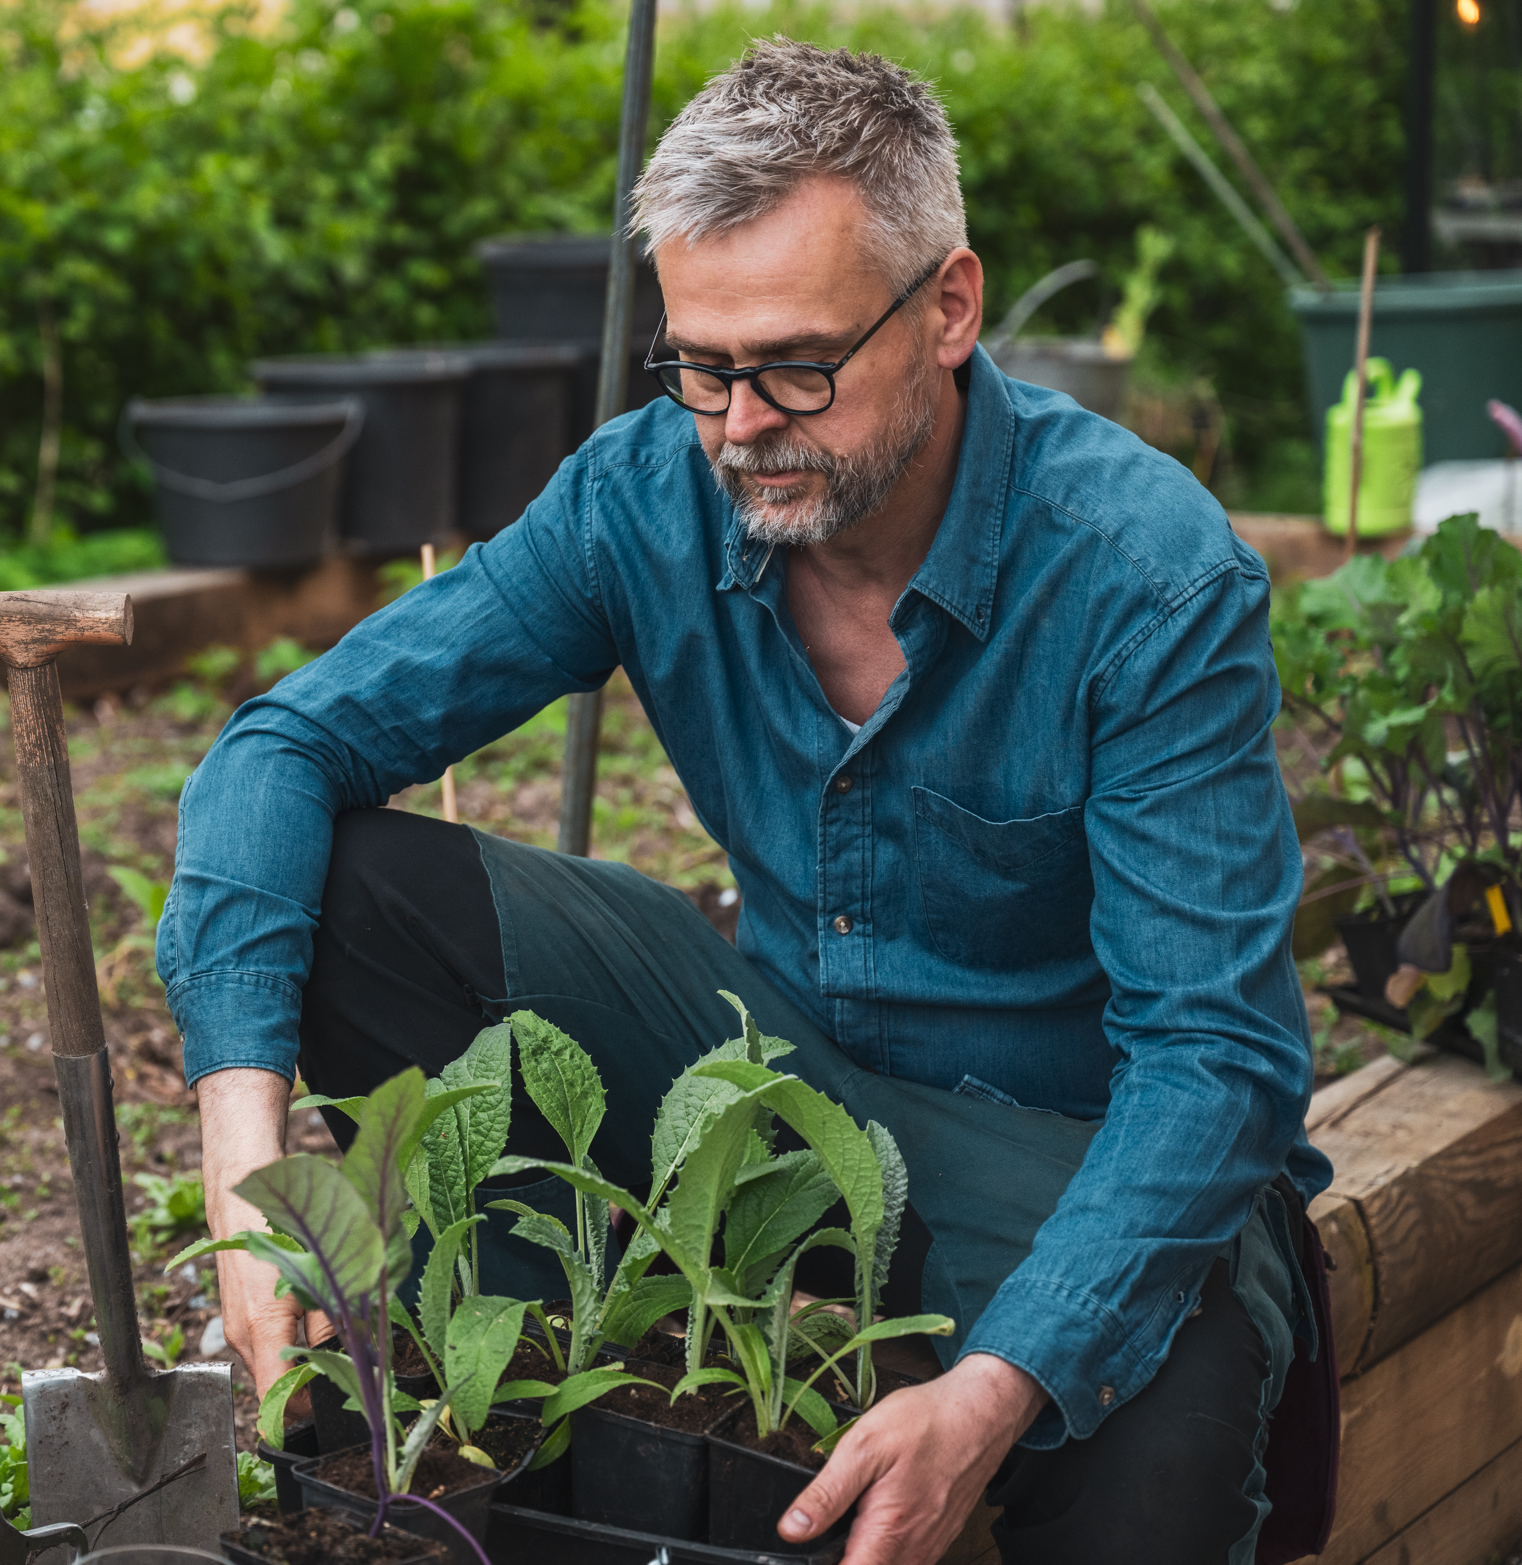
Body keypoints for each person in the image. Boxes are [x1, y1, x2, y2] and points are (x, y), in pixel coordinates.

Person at [157, 39, 1333, 1565]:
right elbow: (279, 749)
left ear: (951, 310)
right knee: (363, 894)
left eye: (795, 364)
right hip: (778, 1084)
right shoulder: (647, 490)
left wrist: (986, 1391)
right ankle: (521, 1377)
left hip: (1056, 1151)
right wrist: (250, 1159)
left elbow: (1218, 1059)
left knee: (1160, 1431)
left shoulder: (1142, 573)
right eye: (700, 366)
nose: (739, 425)